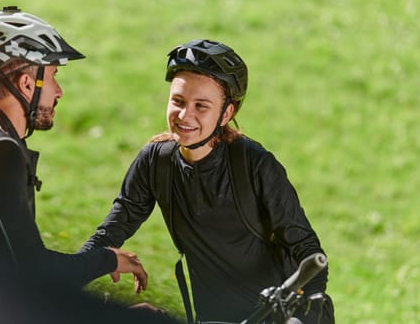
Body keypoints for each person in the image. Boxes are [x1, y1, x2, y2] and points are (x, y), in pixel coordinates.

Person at [82, 39, 335, 323]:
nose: (184, 115)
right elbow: (113, 229)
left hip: (277, 317)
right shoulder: (156, 162)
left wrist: (304, 316)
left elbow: (308, 250)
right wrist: (71, 276)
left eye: (201, 106)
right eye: (178, 101)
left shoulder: (255, 165)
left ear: (227, 113)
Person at [0, 6, 147, 292]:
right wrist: (107, 260)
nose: (59, 91)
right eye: (53, 76)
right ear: (25, 83)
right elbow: (33, 271)